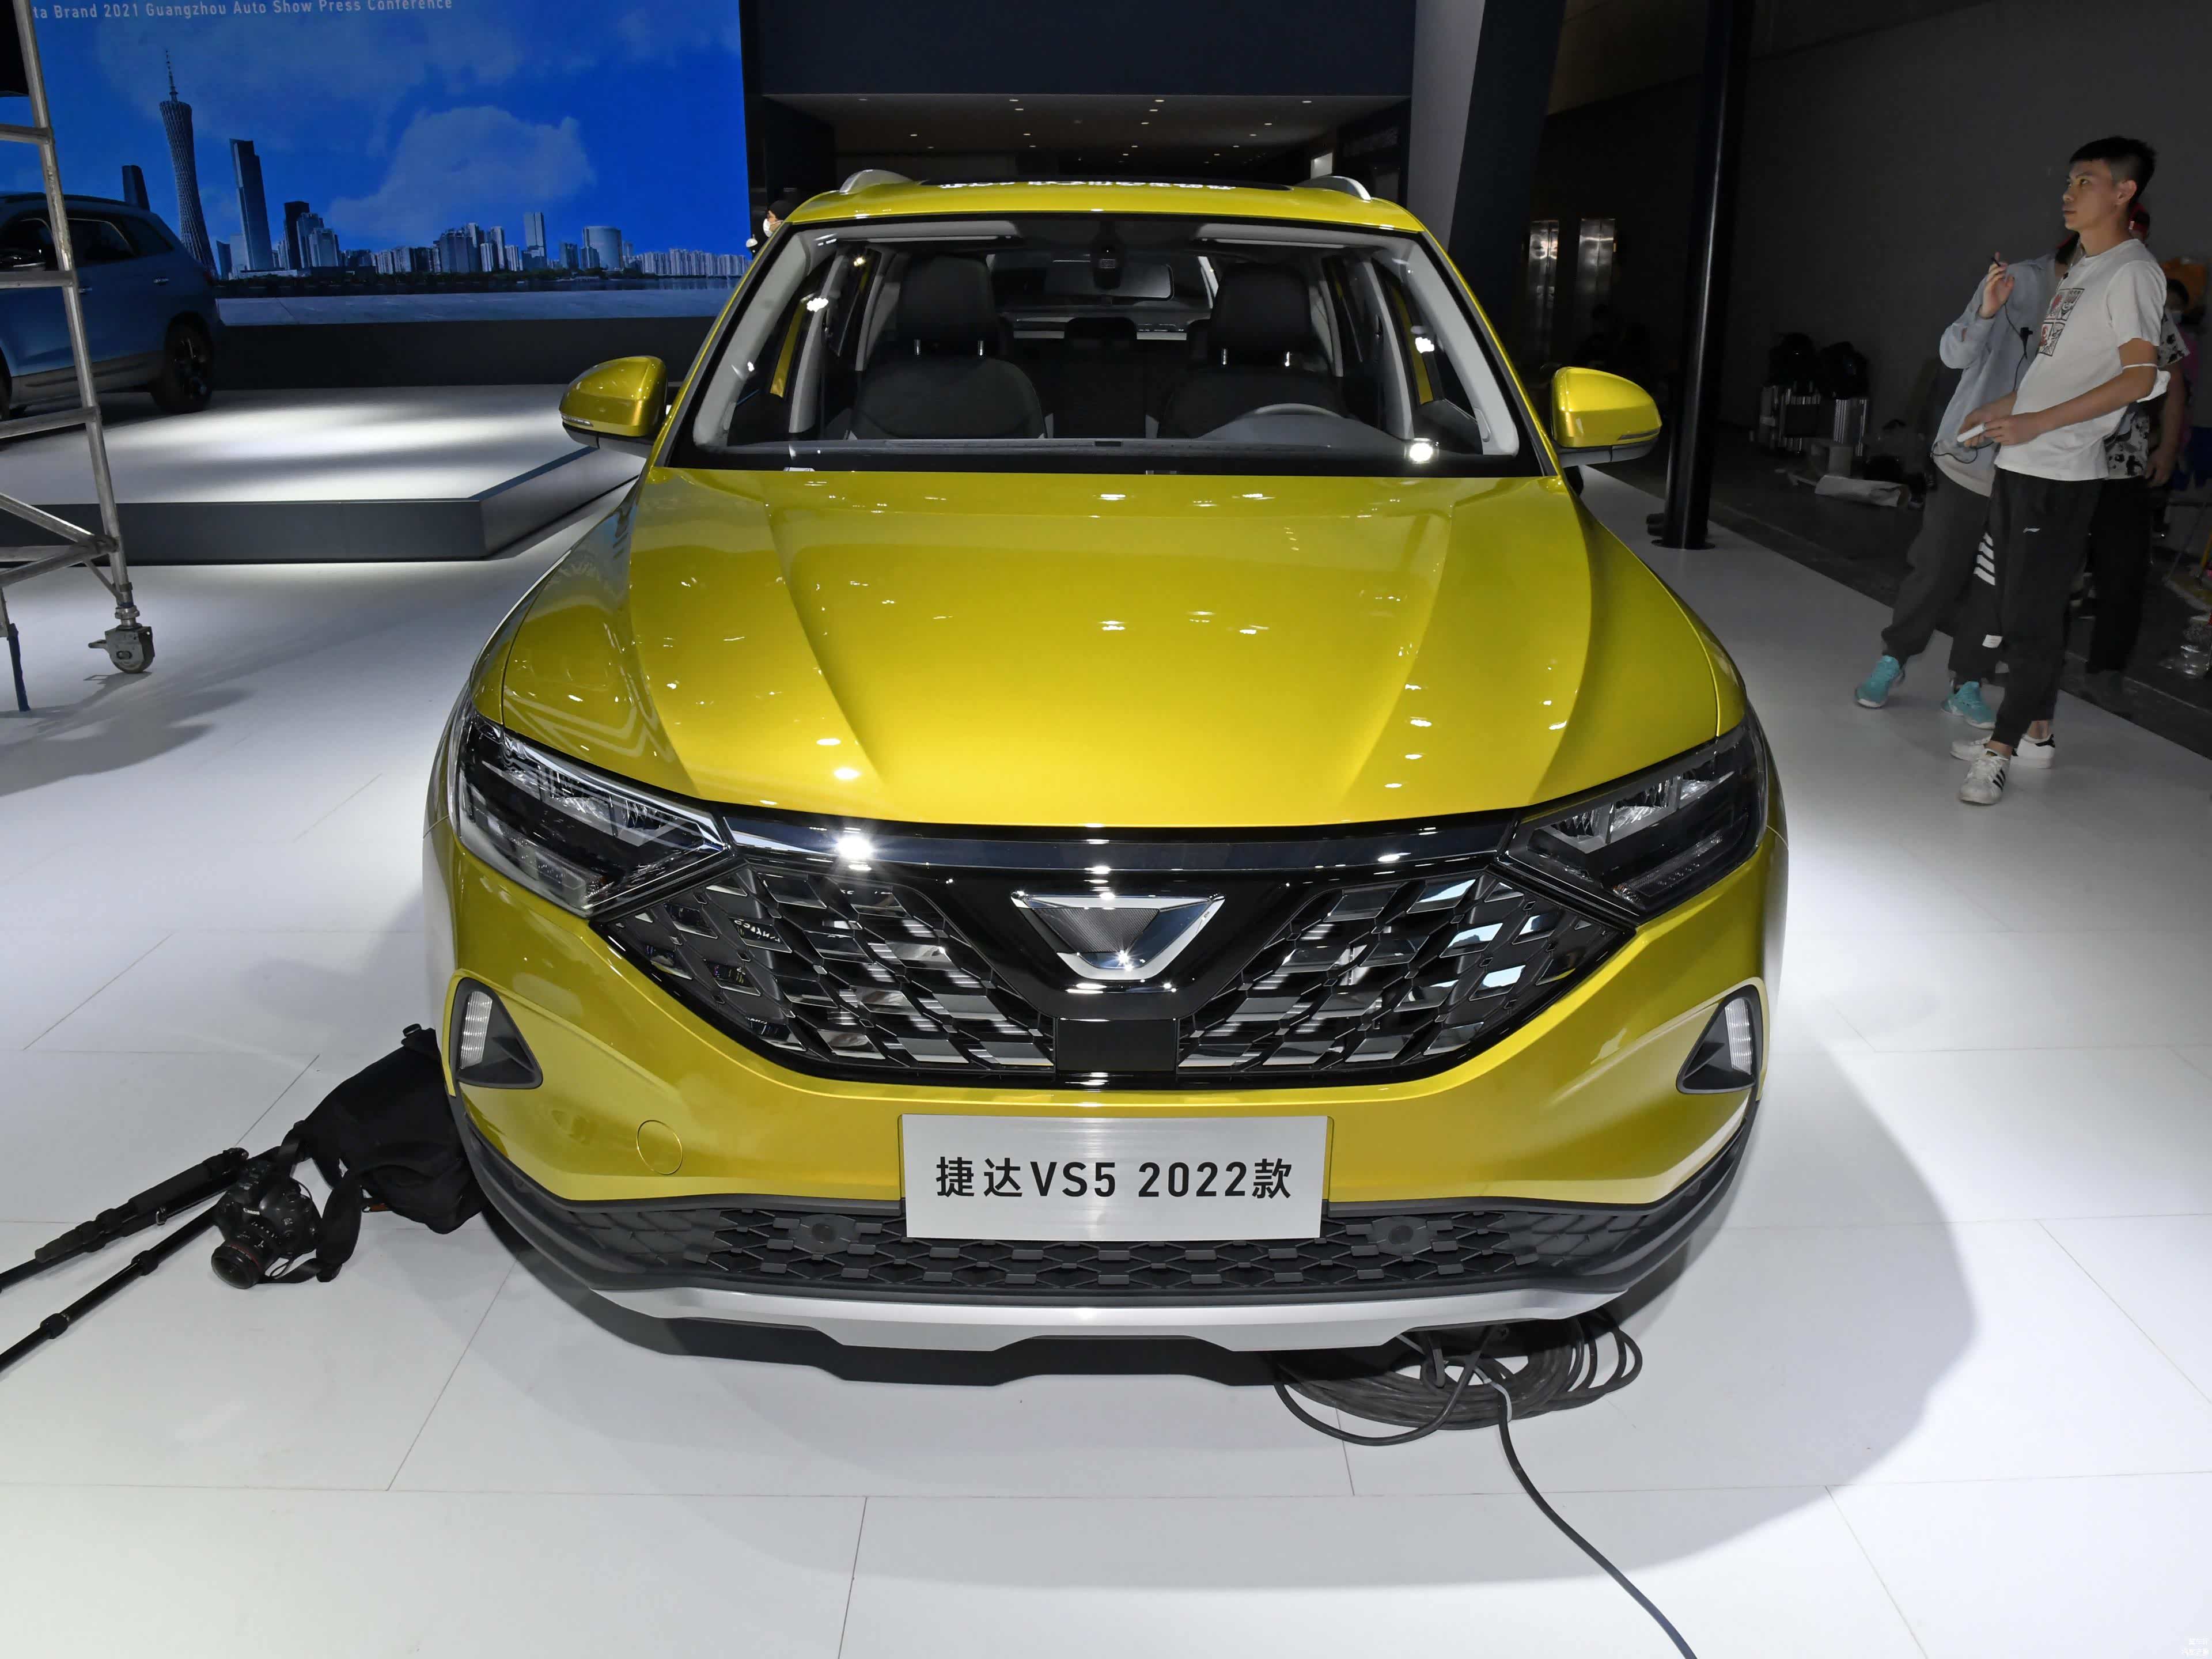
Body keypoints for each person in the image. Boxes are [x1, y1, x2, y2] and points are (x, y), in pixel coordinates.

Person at [1954, 137, 2171, 806]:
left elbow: (2140, 378)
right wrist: (2005, 408)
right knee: (2016, 606)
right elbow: (2061, 371)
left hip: (2060, 474)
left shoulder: (2133, 273)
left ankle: (2000, 750)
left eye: (2086, 182)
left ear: (2124, 192)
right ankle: (2036, 733)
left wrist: (2038, 424)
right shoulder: (2084, 268)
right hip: (2023, 463)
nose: (2069, 193)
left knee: (2031, 620)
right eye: (2070, 181)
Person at [1853, 237, 2058, 725]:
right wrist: (1987, 311)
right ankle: (1894, 658)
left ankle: (1968, 681)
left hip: (2030, 470)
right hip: (1968, 459)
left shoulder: (2099, 295)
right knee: (1936, 569)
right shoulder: (2018, 280)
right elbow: (1953, 353)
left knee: (1997, 583)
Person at [2078, 207, 2190, 706]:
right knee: (2049, 569)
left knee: (2123, 572)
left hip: (2124, 463)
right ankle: (2024, 659)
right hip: (2065, 458)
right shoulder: (2073, 293)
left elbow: (2173, 380)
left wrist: (2166, 446)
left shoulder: (2147, 302)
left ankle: (2106, 672)